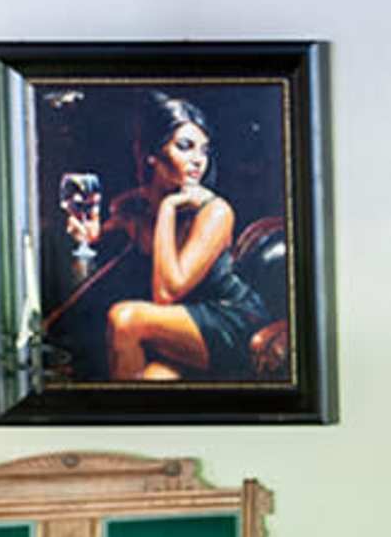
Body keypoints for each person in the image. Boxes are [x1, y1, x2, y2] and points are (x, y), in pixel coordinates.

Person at [60, 93, 267, 381]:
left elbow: (166, 293)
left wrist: (169, 208)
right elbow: (108, 237)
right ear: (152, 155)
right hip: (182, 326)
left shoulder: (216, 212)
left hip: (231, 320)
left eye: (204, 151)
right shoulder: (136, 204)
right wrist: (92, 233)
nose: (198, 161)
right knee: (151, 381)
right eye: (185, 147)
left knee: (125, 319)